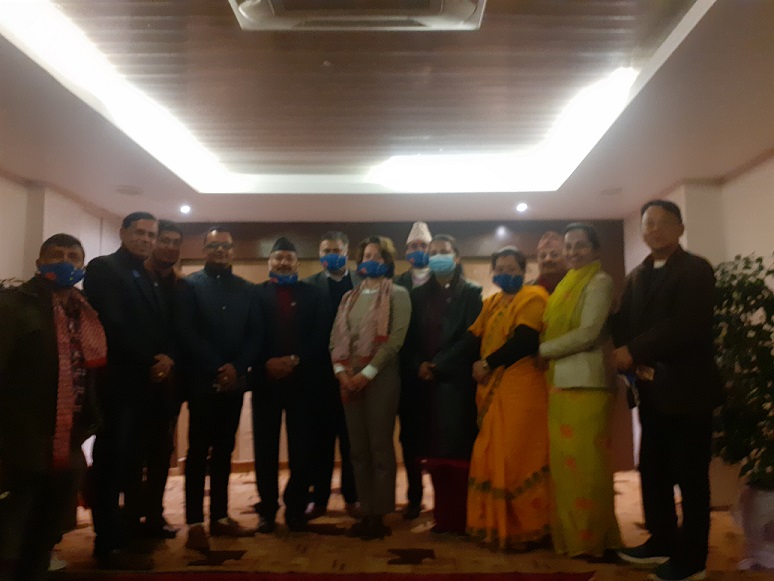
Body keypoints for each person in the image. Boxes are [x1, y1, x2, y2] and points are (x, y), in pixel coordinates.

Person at [611, 201, 722, 581]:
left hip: (688, 391)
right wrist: (618, 343)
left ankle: (692, 560)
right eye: (648, 223)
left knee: (691, 479)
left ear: (679, 228)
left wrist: (634, 350)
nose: (654, 229)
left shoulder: (695, 270)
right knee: (653, 471)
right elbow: (625, 322)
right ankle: (661, 541)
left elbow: (684, 325)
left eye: (662, 222)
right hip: (651, 390)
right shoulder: (637, 275)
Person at [0, 234, 107, 581]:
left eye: (73, 256)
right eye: (56, 255)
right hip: (20, 441)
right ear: (39, 263)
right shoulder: (13, 306)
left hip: (69, 440)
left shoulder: (83, 311)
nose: (65, 262)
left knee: (45, 534)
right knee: (10, 537)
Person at [84, 211, 172, 569]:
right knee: (110, 465)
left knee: (133, 464)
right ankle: (107, 544)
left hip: (146, 386)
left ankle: (128, 532)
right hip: (119, 386)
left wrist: (165, 358)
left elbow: (157, 326)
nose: (146, 239)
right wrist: (151, 360)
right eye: (140, 232)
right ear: (123, 232)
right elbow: (111, 325)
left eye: (152, 235)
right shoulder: (104, 268)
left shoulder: (146, 274)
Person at [536, 223, 622, 560]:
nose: (573, 252)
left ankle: (592, 541)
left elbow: (589, 332)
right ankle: (573, 538)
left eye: (581, 245)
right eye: (569, 246)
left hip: (588, 385)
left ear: (596, 250)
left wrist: (542, 351)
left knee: (588, 470)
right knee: (566, 470)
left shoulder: (599, 281)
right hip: (560, 384)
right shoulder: (565, 285)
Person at [177, 226, 263, 551]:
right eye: (214, 246)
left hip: (234, 383)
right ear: (204, 250)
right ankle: (194, 522)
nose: (220, 251)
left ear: (233, 250)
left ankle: (220, 516)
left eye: (226, 246)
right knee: (198, 452)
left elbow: (255, 335)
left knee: (225, 450)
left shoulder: (247, 289)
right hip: (201, 381)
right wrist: (217, 367)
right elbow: (186, 332)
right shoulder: (188, 285)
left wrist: (236, 368)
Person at [466, 247, 550, 550]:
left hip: (522, 388)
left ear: (524, 271)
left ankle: (527, 528)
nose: (506, 274)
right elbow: (472, 338)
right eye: (500, 269)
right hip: (493, 388)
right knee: (491, 453)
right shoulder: (492, 303)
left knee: (517, 458)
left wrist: (487, 364)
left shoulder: (533, 297)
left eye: (512, 269)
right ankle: (496, 525)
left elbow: (525, 340)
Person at [331, 236, 411, 540]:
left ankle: (380, 513)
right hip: (349, 379)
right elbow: (334, 339)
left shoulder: (398, 294)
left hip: (381, 378)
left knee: (379, 447)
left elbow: (395, 340)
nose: (371, 260)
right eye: (367, 255)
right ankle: (365, 510)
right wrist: (342, 372)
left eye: (377, 256)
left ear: (387, 262)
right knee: (357, 450)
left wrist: (367, 373)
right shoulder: (348, 298)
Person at [253, 237, 328, 533]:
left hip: (304, 383)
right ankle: (267, 509)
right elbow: (250, 334)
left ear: (297, 262)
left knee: (303, 449)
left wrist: (295, 360)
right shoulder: (255, 294)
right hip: (266, 381)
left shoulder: (314, 294)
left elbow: (321, 335)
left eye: (288, 258)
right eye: (278, 258)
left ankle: (295, 508)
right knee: (265, 449)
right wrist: (265, 362)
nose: (283, 262)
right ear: (269, 262)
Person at [407, 234, 482, 534]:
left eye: (444, 251)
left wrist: (439, 365)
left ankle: (460, 519)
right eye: (433, 252)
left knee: (457, 451)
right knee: (433, 451)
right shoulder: (417, 295)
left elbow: (471, 337)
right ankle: (442, 515)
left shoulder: (472, 292)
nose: (438, 256)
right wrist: (420, 364)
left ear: (456, 257)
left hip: (456, 384)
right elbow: (410, 339)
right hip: (424, 386)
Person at [303, 231, 360, 521]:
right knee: (320, 443)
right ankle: (320, 499)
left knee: (352, 441)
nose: (332, 255)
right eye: (326, 251)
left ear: (346, 252)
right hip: (320, 377)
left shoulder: (363, 282)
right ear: (319, 253)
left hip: (355, 375)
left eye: (337, 250)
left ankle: (353, 497)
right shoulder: (308, 285)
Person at [139, 220, 185, 539]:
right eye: (163, 240)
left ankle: (154, 516)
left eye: (175, 242)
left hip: (170, 384)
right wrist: (151, 360)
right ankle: (128, 519)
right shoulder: (135, 278)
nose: (169, 246)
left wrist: (170, 361)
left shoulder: (181, 286)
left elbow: (184, 331)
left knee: (160, 453)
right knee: (130, 456)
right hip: (134, 379)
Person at [393, 221, 432, 519]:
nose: (418, 250)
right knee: (409, 439)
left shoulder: (443, 281)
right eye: (413, 247)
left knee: (439, 437)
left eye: (423, 246)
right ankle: (414, 497)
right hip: (406, 372)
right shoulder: (397, 284)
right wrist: (414, 363)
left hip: (439, 373)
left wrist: (435, 364)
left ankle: (446, 500)